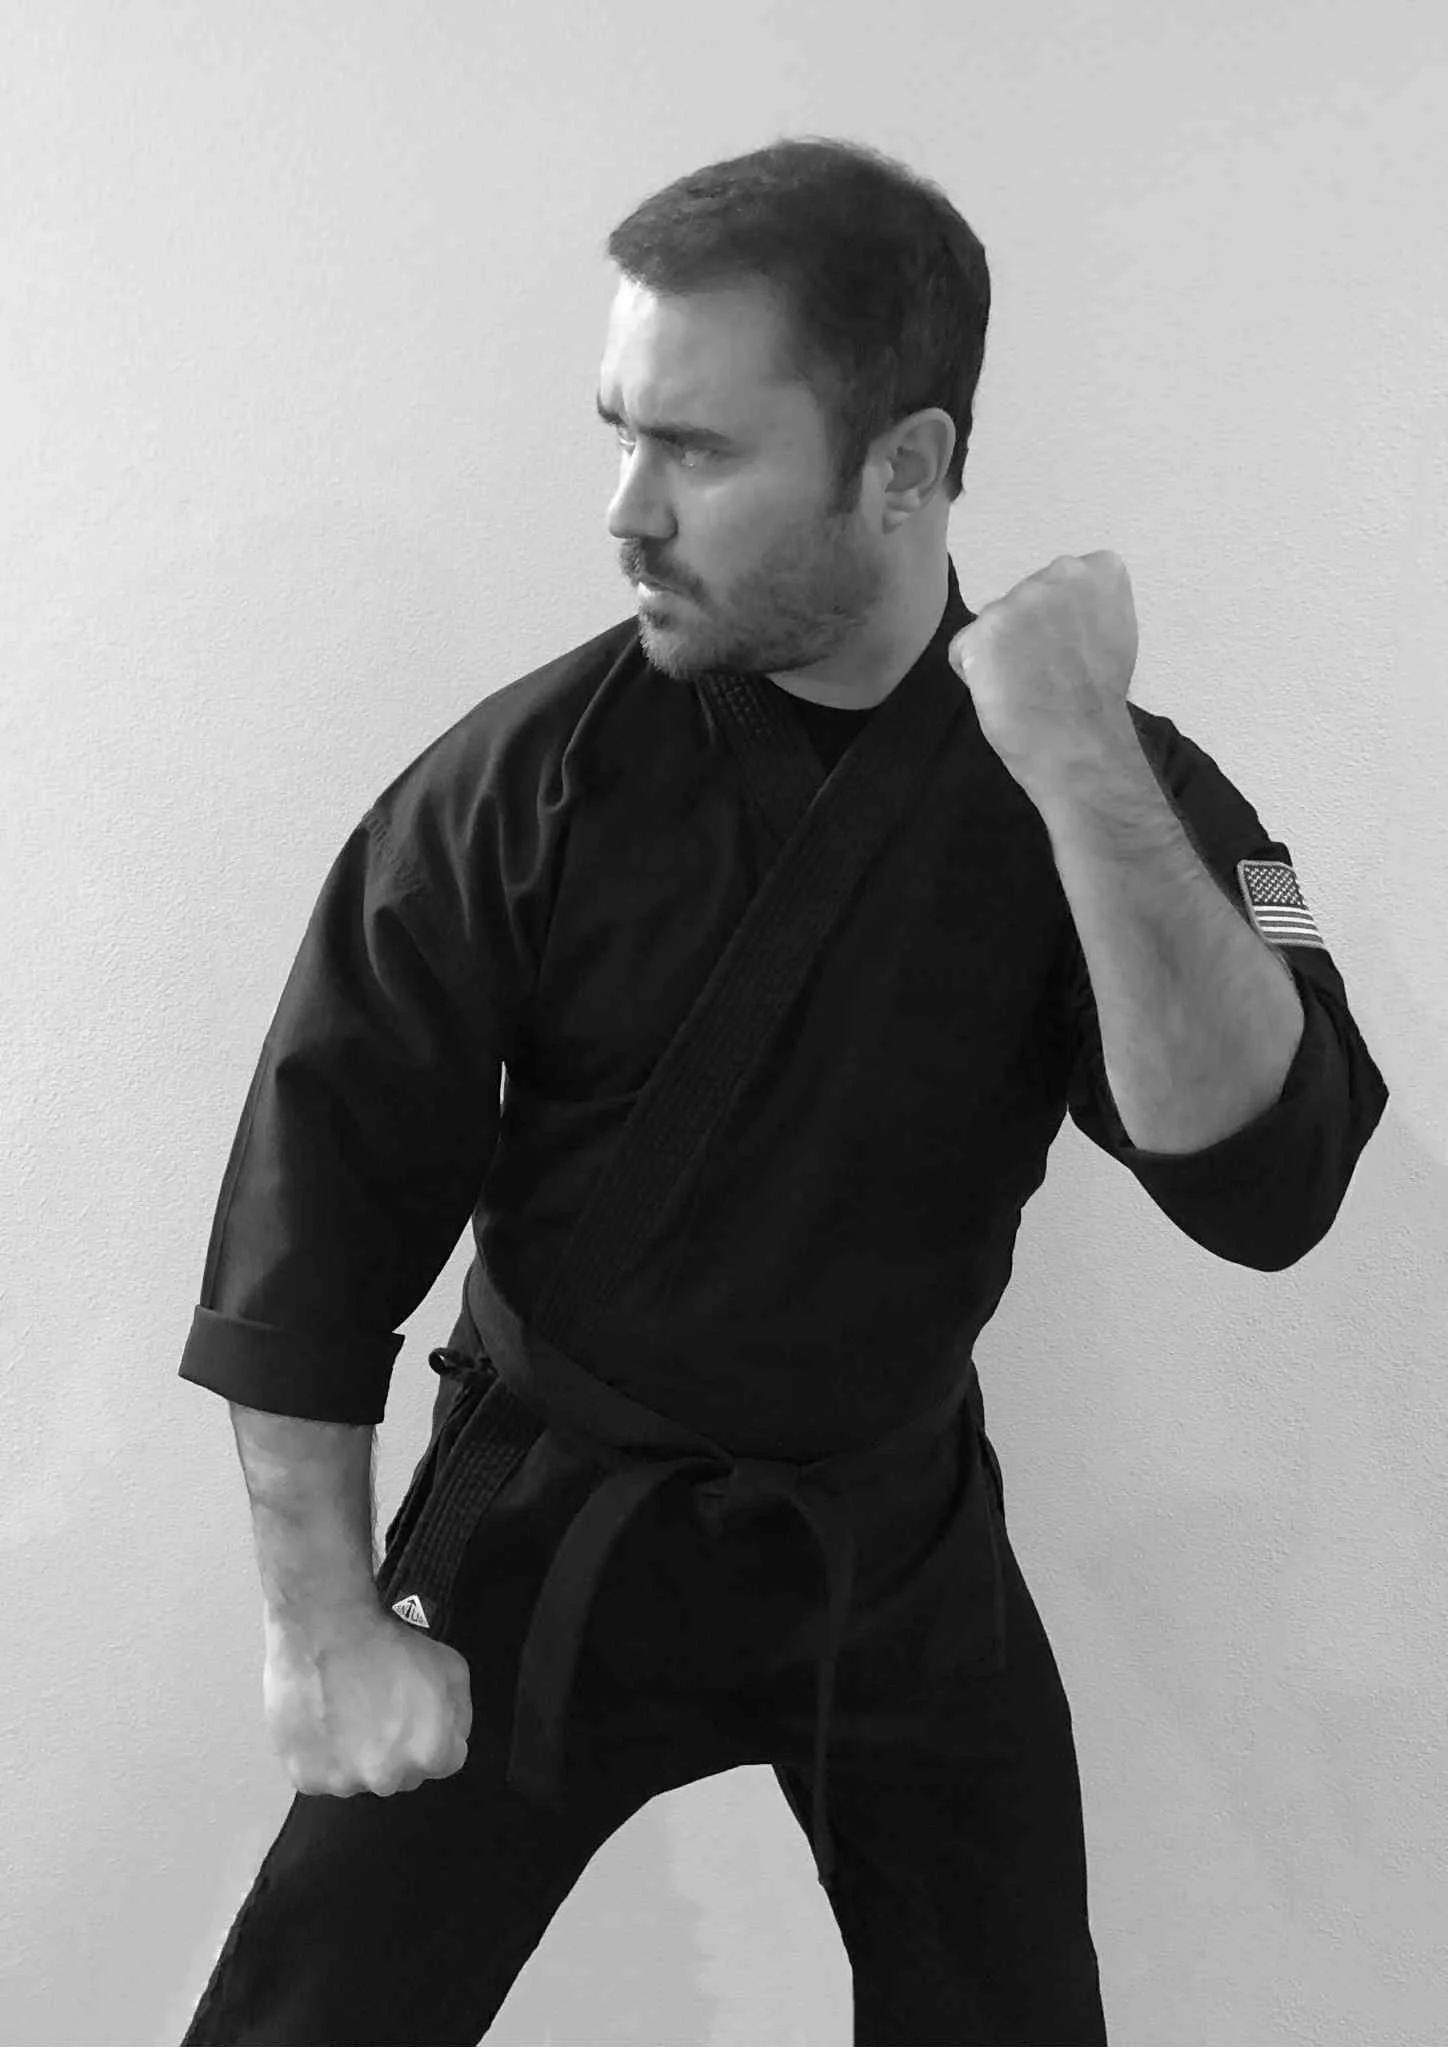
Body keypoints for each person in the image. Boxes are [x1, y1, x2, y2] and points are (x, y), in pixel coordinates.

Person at [175, 136, 1389, 2047]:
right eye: (621, 433)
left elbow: (1276, 1176)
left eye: (696, 451)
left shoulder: (1135, 792)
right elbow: (311, 1212)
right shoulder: (517, 786)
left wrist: (1074, 754)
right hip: (554, 1521)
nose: (625, 511)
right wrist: (325, 1626)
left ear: (906, 466)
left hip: (894, 1539)